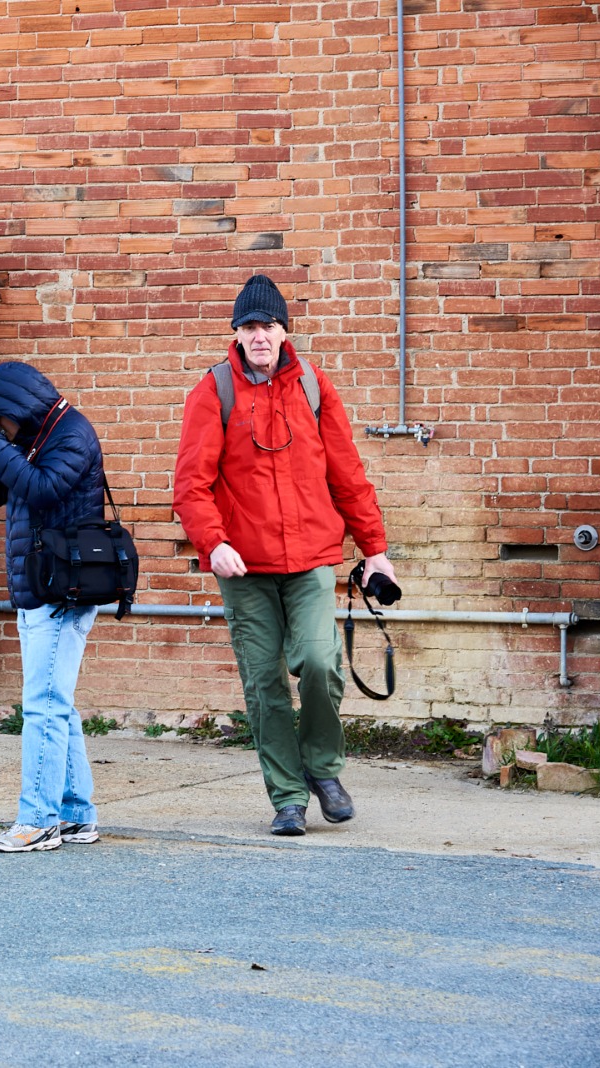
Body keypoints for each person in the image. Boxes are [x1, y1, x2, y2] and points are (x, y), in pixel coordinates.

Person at [173, 274, 396, 835]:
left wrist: (376, 551)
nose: (259, 336)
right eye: (248, 327)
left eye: (268, 325)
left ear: (283, 330)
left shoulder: (314, 387)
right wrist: (213, 543)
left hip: (313, 558)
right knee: (264, 683)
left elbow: (348, 476)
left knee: (320, 663)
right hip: (244, 567)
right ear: (237, 334)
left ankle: (322, 769)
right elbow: (190, 485)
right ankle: (288, 798)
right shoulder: (214, 391)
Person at [0, 362, 107, 852]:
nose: (1, 432)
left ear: (19, 409)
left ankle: (38, 819)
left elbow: (43, 489)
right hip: (41, 584)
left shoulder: (72, 435)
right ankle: (77, 816)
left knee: (42, 707)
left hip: (61, 589)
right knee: (57, 705)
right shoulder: (34, 435)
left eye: (2, 422)